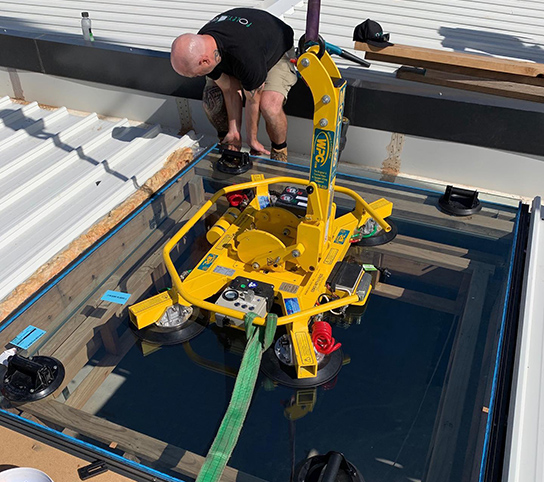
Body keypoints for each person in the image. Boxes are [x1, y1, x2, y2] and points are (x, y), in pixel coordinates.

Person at [171, 8, 298, 162]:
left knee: (269, 106)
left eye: (196, 74)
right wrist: (234, 130)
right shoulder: (204, 45)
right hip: (242, 50)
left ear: (205, 61)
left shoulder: (246, 56)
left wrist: (252, 140)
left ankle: (279, 151)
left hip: (276, 49)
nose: (198, 76)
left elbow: (253, 99)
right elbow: (229, 89)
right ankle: (229, 140)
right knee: (212, 99)